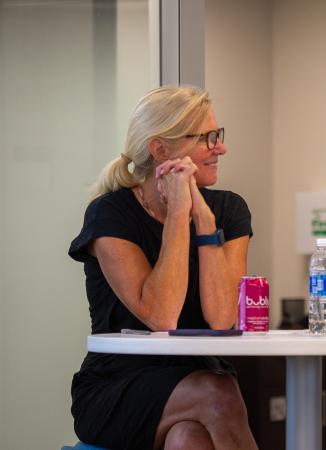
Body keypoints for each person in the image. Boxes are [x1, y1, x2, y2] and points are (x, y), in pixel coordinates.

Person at [68, 86, 258, 450]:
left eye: (218, 136)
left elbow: (222, 319)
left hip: (196, 375)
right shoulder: (110, 213)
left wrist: (202, 220)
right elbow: (162, 316)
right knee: (218, 393)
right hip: (118, 385)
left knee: (189, 440)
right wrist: (176, 214)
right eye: (208, 138)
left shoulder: (229, 210)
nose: (221, 148)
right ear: (160, 149)